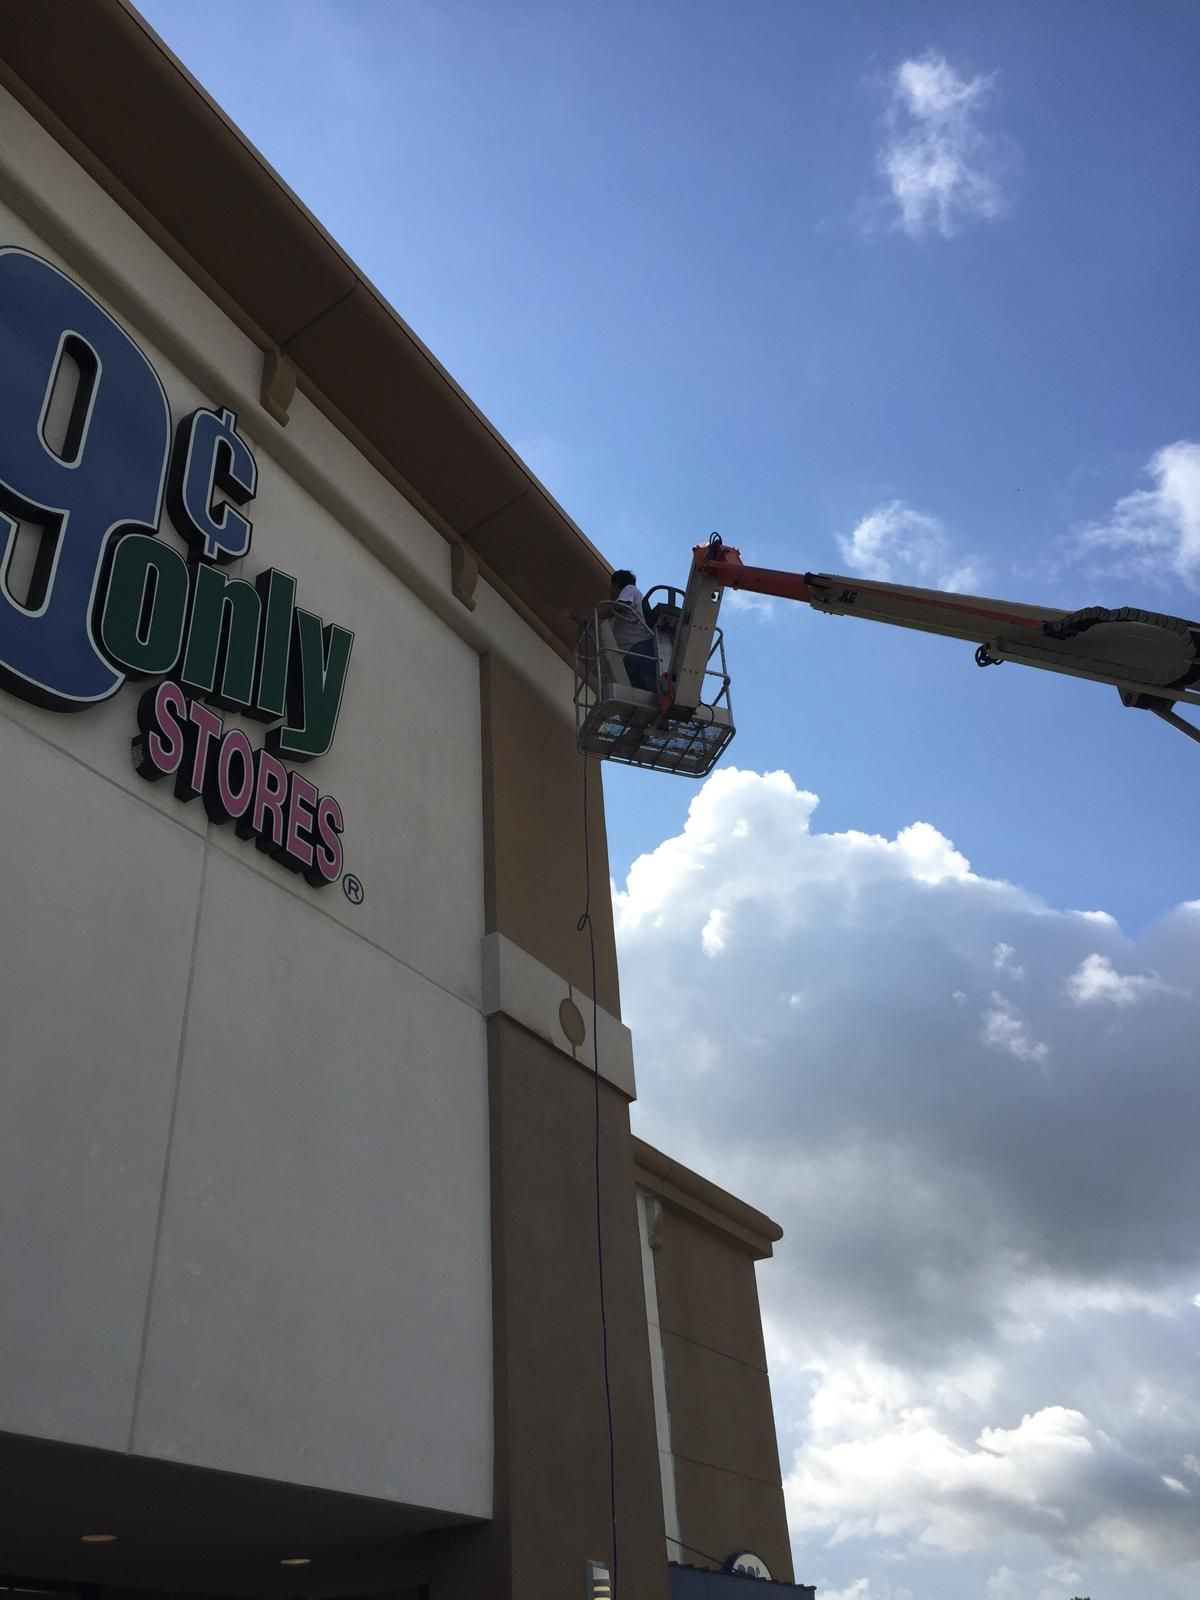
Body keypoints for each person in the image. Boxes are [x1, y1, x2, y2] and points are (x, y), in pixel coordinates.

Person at [596, 568, 658, 692]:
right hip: (632, 653)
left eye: (611, 587)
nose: (610, 591)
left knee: (650, 690)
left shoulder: (629, 589)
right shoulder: (621, 617)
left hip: (639, 649)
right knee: (642, 694)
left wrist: (596, 615)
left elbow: (621, 606)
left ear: (617, 584)